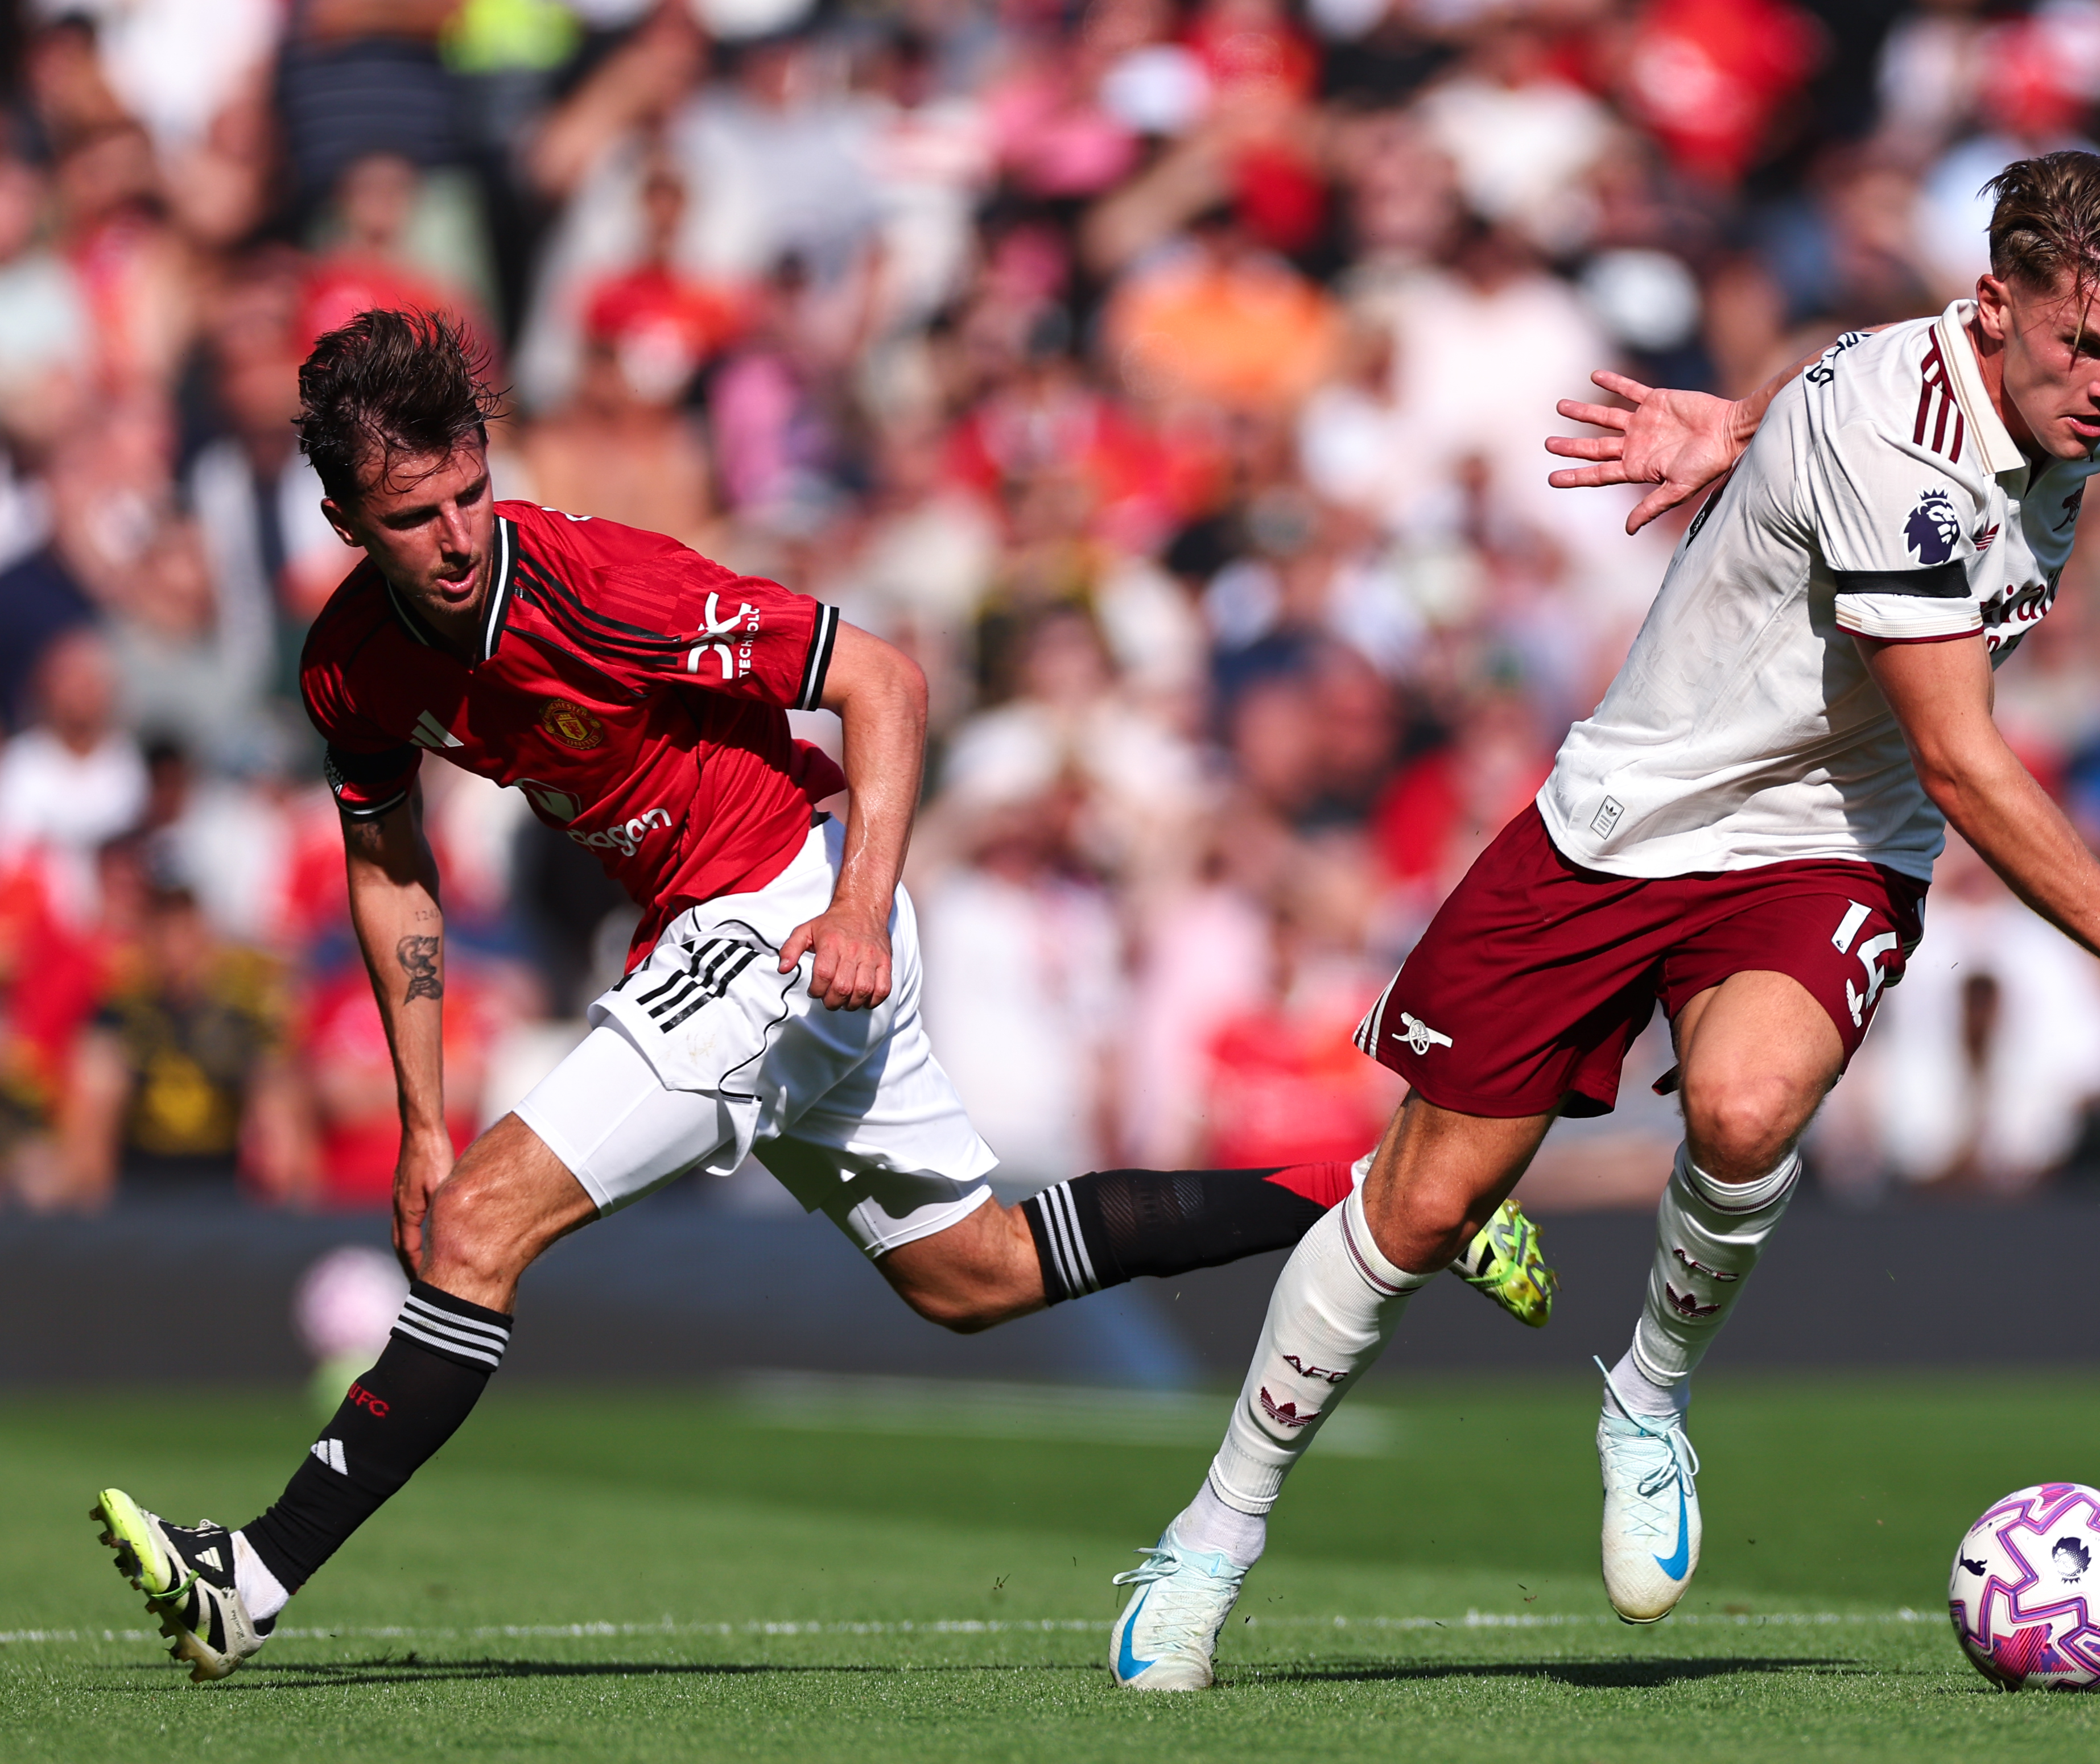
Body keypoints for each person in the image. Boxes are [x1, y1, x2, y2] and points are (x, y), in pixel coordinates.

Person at [88, 309, 1553, 1683]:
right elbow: (391, 865)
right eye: (415, 517)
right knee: (970, 1276)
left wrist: (854, 909)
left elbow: (886, 684)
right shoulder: (348, 666)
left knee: (481, 1224)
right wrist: (419, 1117)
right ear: (347, 525)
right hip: (728, 931)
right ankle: (1390, 1193)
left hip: (787, 909)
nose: (459, 533)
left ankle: (251, 1581)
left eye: (472, 490)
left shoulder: (595, 583)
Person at [1104, 151, 2100, 1692]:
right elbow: (1961, 749)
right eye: (2087, 346)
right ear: (1994, 307)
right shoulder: (1899, 440)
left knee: (1740, 1105)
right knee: (1420, 1204)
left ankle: (1646, 1393)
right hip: (1625, 816)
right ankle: (1212, 1533)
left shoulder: (2036, 399)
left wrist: (1747, 426)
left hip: (1828, 836)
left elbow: (1845, 382)